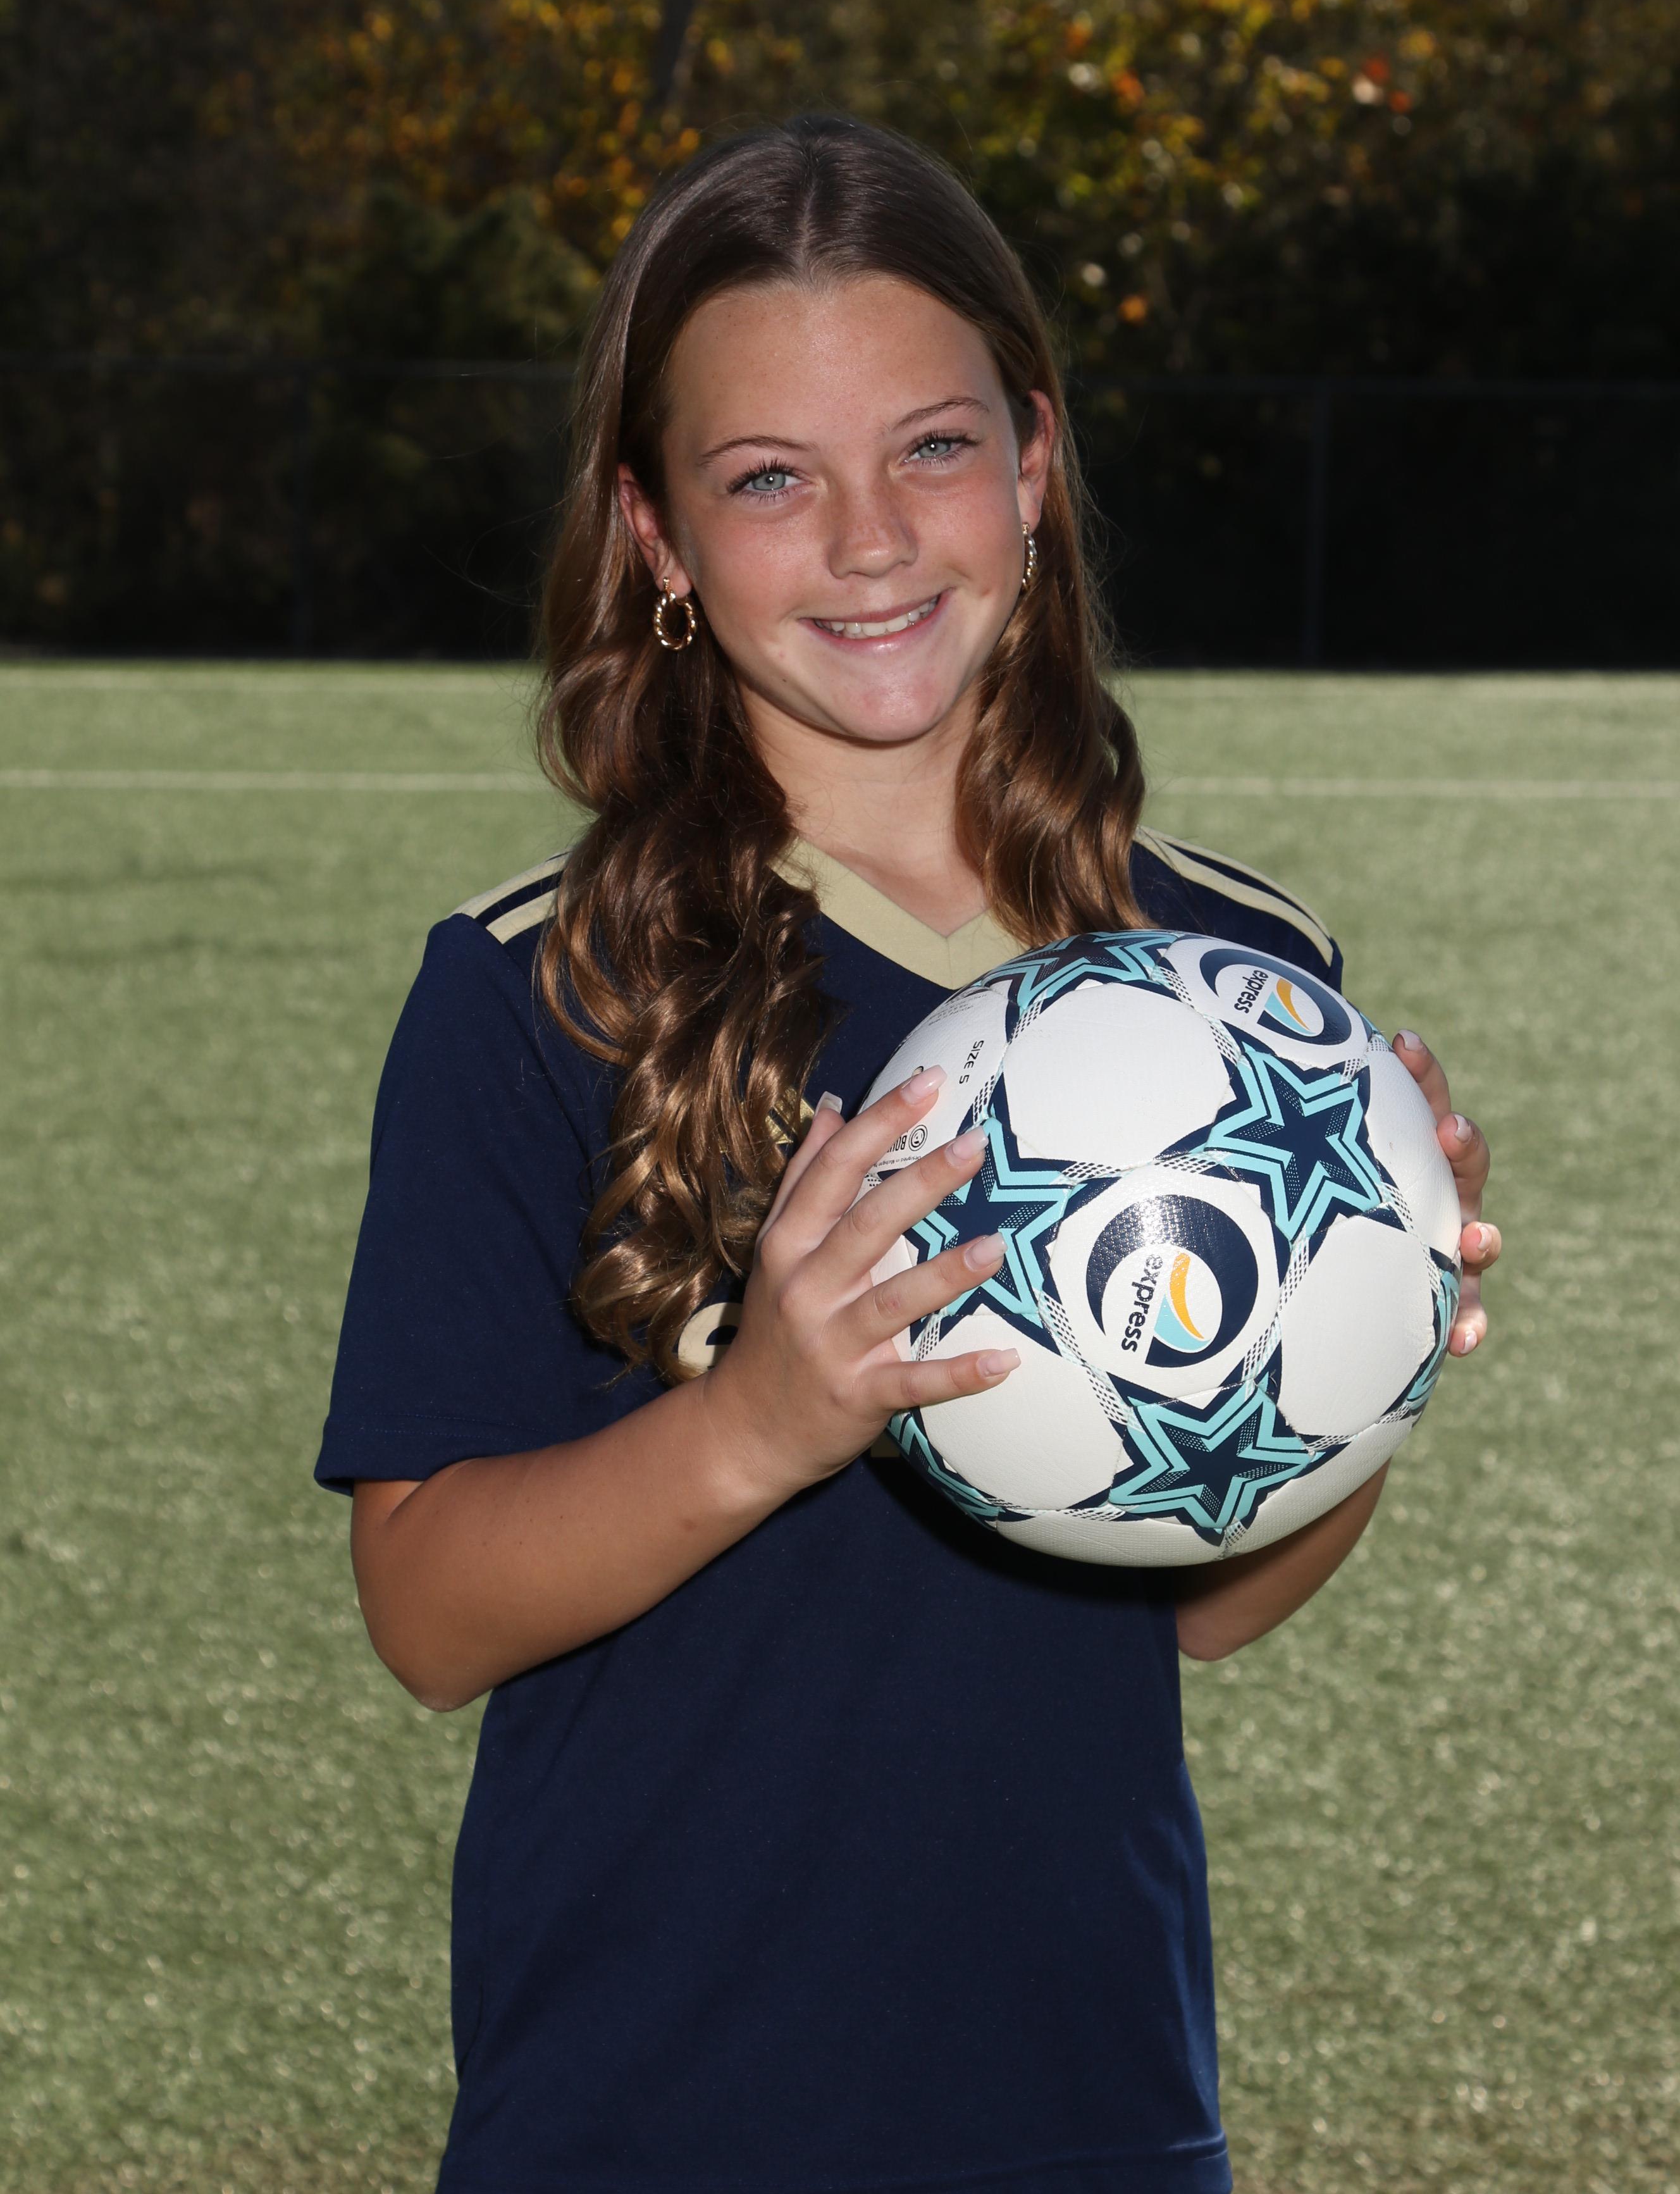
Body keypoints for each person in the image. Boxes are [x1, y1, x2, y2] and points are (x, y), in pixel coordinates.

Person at [316, 115, 1500, 2194]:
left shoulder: (1233, 982)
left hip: (1093, 2103)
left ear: (1032, 466)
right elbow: (426, 1612)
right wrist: (760, 1422)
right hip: (652, 2118)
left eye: (933, 450)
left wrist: (1367, 1351)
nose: (869, 541)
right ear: (658, 538)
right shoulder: (543, 990)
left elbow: (1210, 1608)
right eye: (770, 479)